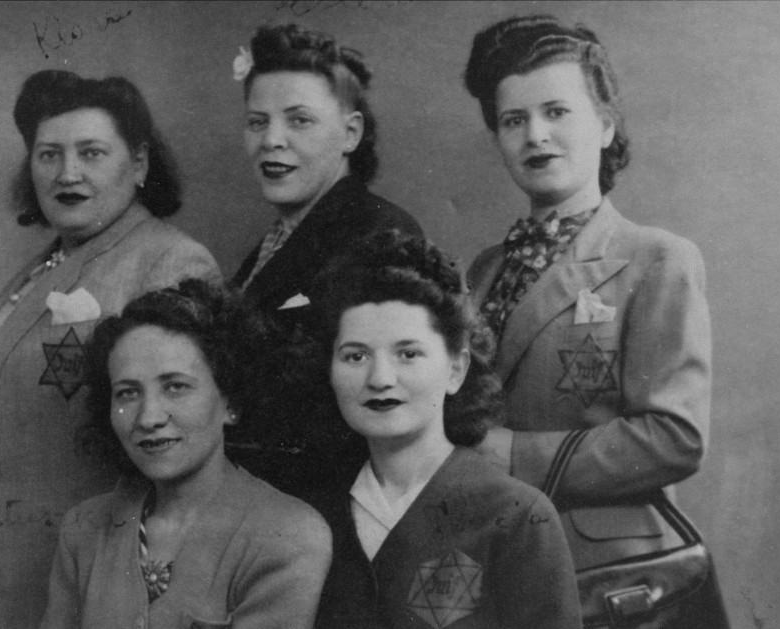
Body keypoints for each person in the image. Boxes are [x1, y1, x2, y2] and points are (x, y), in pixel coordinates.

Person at [464, 14, 728, 627]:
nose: (536, 135)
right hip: (496, 560)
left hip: (605, 575)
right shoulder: (481, 271)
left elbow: (675, 436)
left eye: (557, 111)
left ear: (605, 125)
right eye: (513, 120)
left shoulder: (657, 257)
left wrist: (510, 455)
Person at [0, 69, 221, 629]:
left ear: (139, 163)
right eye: (49, 155)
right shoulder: (47, 265)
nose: (67, 173)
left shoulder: (170, 264)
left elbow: (180, 457)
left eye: (91, 153)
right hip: (8, 573)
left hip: (90, 583)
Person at [310, 231, 581, 629]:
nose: (380, 378)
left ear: (456, 369)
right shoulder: (313, 512)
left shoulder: (517, 516)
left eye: (408, 354)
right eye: (355, 356)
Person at [39, 280, 331, 628]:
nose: (148, 418)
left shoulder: (288, 533)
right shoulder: (83, 530)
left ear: (231, 402)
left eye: (176, 387)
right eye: (128, 393)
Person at [225, 22, 423, 504]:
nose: (272, 140)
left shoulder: (378, 234)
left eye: (299, 120)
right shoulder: (276, 241)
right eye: (257, 122)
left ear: (350, 132)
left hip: (335, 504)